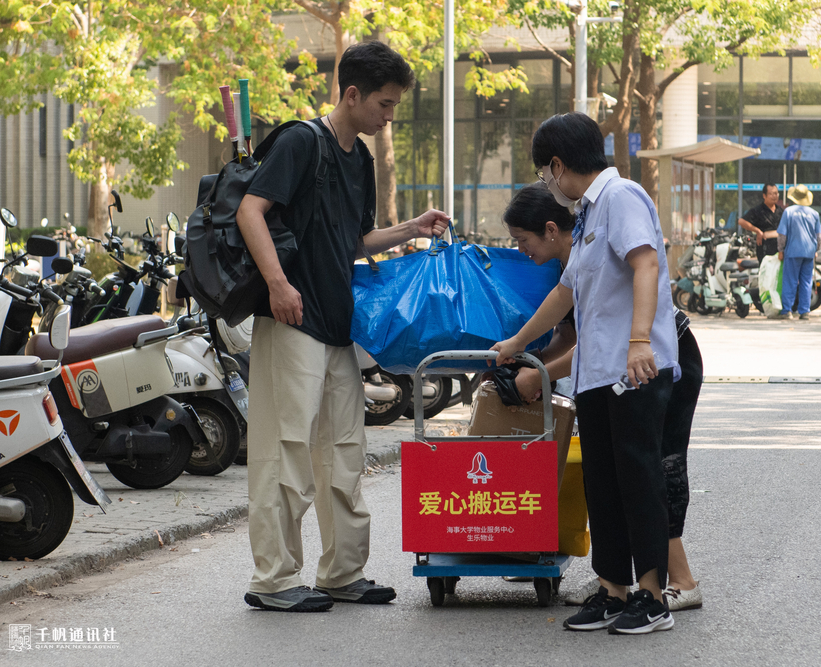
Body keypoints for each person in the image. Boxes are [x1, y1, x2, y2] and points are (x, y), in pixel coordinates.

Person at [235, 41, 449, 613]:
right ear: (350, 94)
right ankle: (275, 580)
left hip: (337, 324)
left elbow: (356, 242)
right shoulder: (302, 141)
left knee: (344, 451)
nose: (389, 116)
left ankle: (341, 573)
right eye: (383, 104)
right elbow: (249, 209)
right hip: (292, 319)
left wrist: (412, 228)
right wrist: (279, 285)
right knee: (286, 453)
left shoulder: (361, 159)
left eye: (394, 105)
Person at [491, 113, 680, 635]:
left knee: (637, 480)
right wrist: (517, 343)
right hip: (597, 375)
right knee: (604, 483)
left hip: (634, 368)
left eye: (544, 173)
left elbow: (646, 264)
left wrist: (640, 339)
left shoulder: (621, 198)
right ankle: (613, 590)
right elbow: (565, 294)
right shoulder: (591, 213)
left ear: (557, 164)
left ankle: (652, 597)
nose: (545, 184)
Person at [504, 183, 704, 612]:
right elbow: (568, 337)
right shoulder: (575, 256)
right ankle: (615, 584)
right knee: (620, 472)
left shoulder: (609, 217)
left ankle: (676, 582)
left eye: (523, 240)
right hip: (617, 363)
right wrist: (524, 354)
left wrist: (535, 377)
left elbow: (596, 340)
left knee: (651, 468)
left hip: (659, 356)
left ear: (552, 230)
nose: (521, 250)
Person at [771, 184, 821, 321]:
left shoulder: (788, 212)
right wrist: (816, 249)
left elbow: (782, 234)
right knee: (806, 282)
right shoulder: (814, 213)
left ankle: (787, 310)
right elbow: (820, 235)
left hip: (792, 251)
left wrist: (780, 250)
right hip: (809, 252)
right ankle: (805, 311)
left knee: (790, 281)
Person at [738, 184, 782, 262]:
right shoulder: (758, 210)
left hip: (780, 250)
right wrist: (757, 231)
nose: (774, 196)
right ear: (764, 195)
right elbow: (741, 221)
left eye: (776, 193)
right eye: (771, 194)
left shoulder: (781, 211)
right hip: (765, 250)